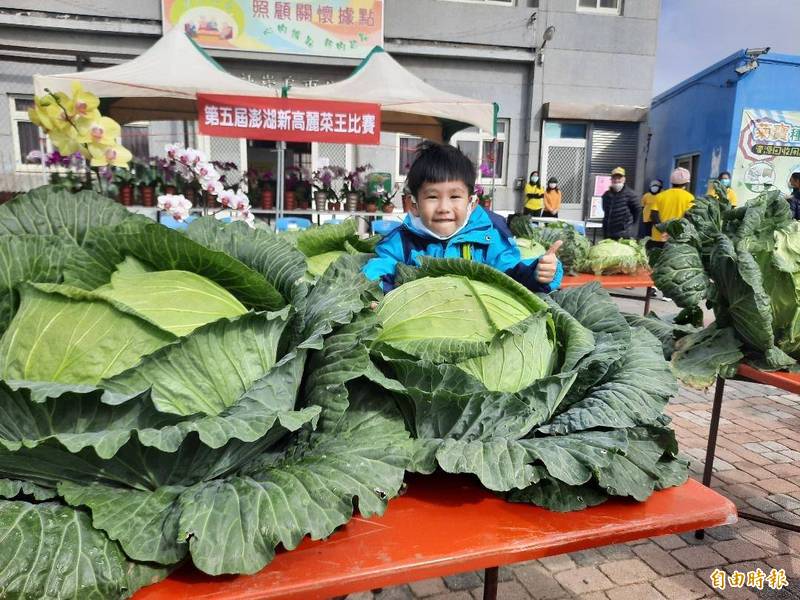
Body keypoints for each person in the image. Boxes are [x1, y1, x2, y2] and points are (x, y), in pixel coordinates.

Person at [363, 142, 563, 293]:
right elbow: (376, 273)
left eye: (455, 197)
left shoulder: (488, 241)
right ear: (413, 205)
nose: (444, 208)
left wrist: (539, 273)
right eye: (432, 197)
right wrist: (378, 295)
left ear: (472, 202)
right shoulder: (401, 243)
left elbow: (515, 276)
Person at [649, 167, 694, 249]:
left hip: (658, 237)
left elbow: (653, 215)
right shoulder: (690, 197)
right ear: (686, 183)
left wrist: (663, 231)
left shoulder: (660, 196)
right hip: (677, 238)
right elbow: (688, 218)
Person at [601, 167, 639, 239]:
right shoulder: (606, 195)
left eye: (619, 178)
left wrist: (630, 227)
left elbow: (637, 211)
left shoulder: (631, 194)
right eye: (614, 178)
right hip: (608, 233)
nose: (617, 180)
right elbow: (605, 209)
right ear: (611, 180)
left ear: (624, 179)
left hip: (623, 234)